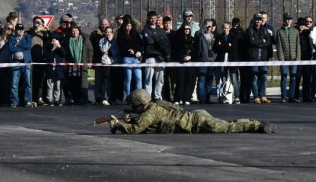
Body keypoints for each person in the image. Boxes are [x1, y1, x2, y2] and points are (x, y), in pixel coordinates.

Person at [109, 89, 275, 134]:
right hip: (194, 117)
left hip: (196, 121)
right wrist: (128, 119)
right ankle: (254, 124)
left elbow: (135, 130)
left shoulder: (151, 112)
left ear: (140, 104)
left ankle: (257, 126)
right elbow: (143, 123)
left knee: (226, 127)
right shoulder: (156, 106)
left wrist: (119, 124)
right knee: (226, 125)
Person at [140, 11, 170, 102]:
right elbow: (149, 43)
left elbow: (166, 43)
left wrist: (165, 52)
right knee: (148, 78)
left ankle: (157, 96)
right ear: (148, 18)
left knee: (160, 78)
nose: (153, 20)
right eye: (151, 18)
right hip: (150, 57)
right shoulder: (145, 31)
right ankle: (148, 97)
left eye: (154, 18)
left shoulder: (161, 31)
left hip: (160, 57)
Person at [65, 24, 94, 105]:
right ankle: (76, 99)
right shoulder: (68, 40)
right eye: (73, 31)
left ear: (79, 31)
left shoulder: (85, 39)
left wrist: (89, 61)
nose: (74, 33)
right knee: (74, 82)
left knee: (83, 83)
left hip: (83, 63)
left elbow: (90, 50)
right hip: (72, 65)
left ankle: (85, 100)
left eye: (76, 31)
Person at [246, 13, 271, 104]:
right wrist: (262, 41)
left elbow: (268, 42)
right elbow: (251, 42)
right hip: (253, 57)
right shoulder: (249, 30)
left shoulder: (264, 30)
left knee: (264, 77)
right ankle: (256, 96)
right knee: (254, 77)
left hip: (263, 58)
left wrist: (259, 42)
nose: (258, 21)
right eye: (257, 19)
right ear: (254, 20)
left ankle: (262, 96)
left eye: (260, 19)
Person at [275, 13, 300, 103]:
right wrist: (281, 58)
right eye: (286, 19)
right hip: (284, 59)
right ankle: (283, 96)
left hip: (294, 59)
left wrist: (298, 58)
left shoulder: (295, 31)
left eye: (290, 19)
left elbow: (298, 45)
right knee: (284, 77)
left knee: (293, 77)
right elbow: (279, 46)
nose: (288, 20)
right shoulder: (279, 31)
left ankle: (292, 96)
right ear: (284, 20)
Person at [7, 23, 33, 108]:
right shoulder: (12, 38)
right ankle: (14, 101)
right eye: (18, 29)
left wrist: (18, 45)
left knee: (27, 83)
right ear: (15, 30)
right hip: (16, 62)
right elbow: (11, 48)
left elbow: (28, 46)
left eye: (22, 29)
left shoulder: (27, 37)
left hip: (26, 62)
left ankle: (27, 100)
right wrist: (23, 47)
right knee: (14, 83)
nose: (20, 31)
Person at [117, 19, 143, 102]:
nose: (128, 28)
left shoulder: (135, 34)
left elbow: (140, 44)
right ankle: (128, 96)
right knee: (128, 78)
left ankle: (139, 96)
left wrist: (138, 52)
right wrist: (129, 50)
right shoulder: (120, 34)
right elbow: (122, 46)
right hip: (126, 58)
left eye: (130, 26)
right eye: (127, 26)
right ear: (124, 26)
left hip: (136, 59)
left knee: (138, 78)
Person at [45, 36, 66, 106]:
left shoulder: (60, 48)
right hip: (50, 69)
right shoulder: (48, 48)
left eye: (55, 41)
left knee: (57, 86)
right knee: (50, 86)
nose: (53, 42)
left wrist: (59, 46)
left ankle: (57, 100)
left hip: (58, 70)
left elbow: (64, 54)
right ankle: (49, 100)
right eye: (52, 41)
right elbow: (46, 56)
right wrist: (53, 49)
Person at [297, 17, 315, 102]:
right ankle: (295, 96)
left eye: (303, 25)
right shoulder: (296, 33)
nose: (302, 26)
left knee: (307, 78)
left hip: (307, 58)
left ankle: (306, 96)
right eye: (300, 25)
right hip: (298, 58)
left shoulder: (308, 33)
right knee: (297, 77)